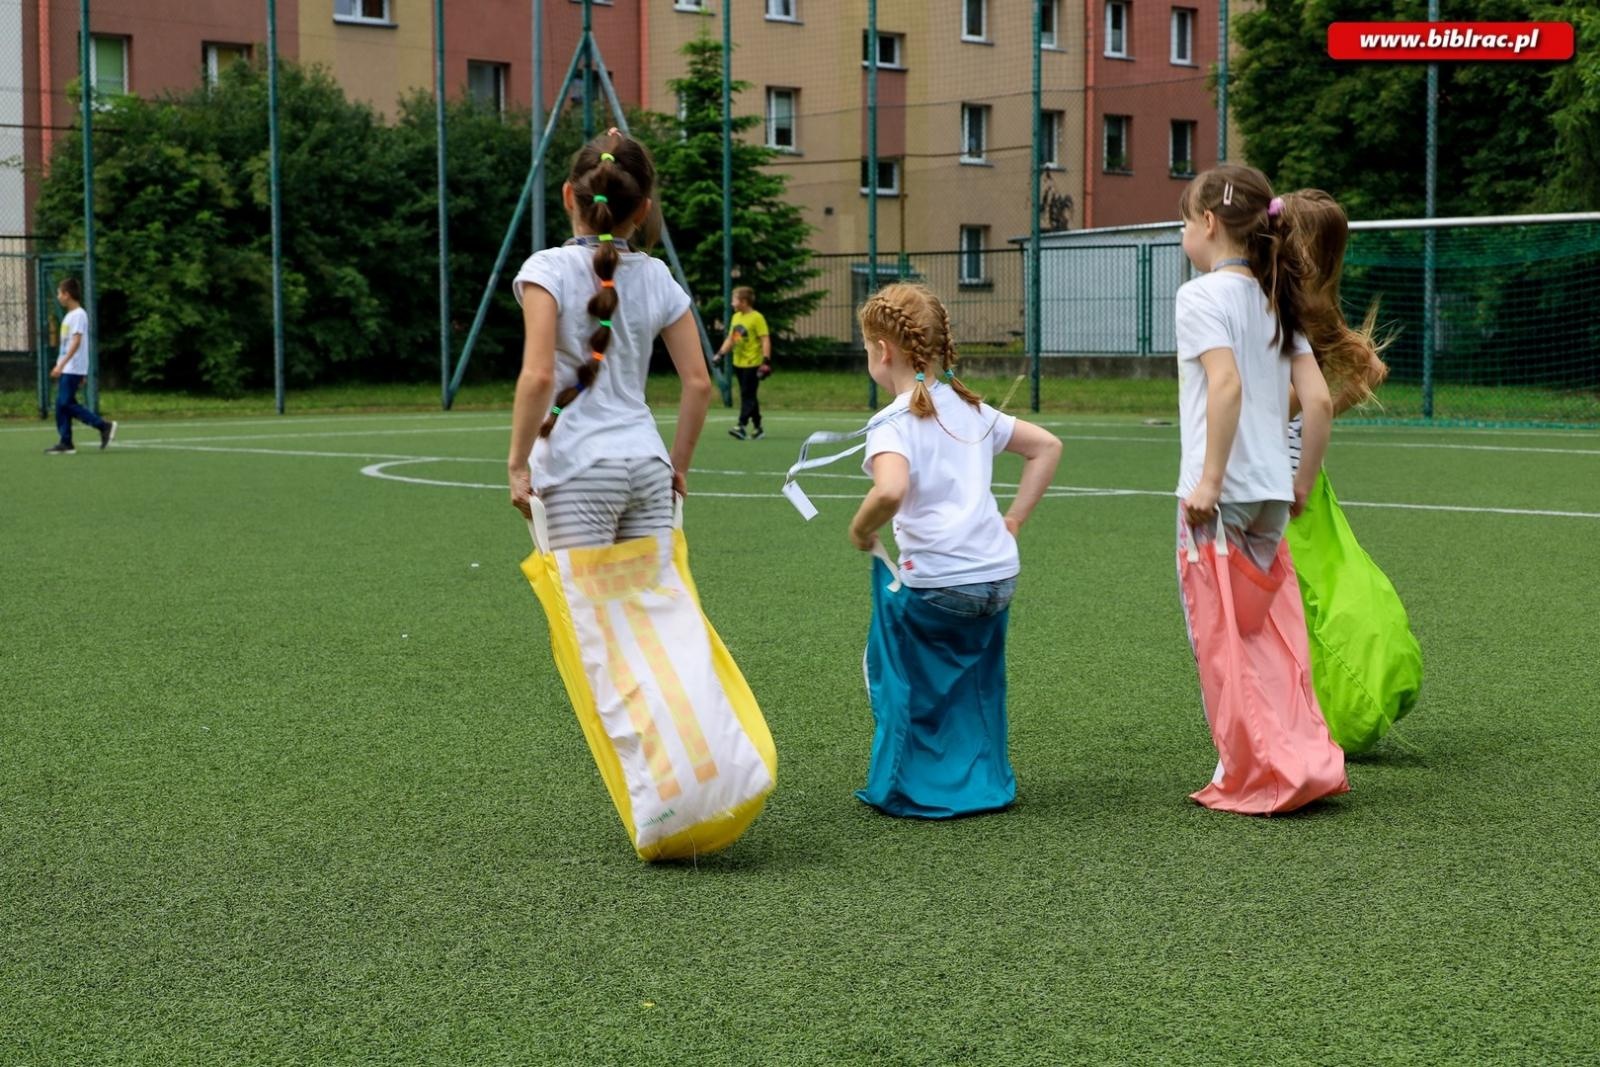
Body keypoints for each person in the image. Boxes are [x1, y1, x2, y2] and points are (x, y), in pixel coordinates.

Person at [848, 283, 1062, 818]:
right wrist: (1014, 519)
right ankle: (978, 776)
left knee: (887, 667)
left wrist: (861, 527)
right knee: (972, 677)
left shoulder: (892, 422)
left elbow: (890, 491)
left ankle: (919, 781)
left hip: (940, 586)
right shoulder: (974, 410)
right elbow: (1046, 447)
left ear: (883, 352)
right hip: (998, 578)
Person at [1173, 163, 1347, 814]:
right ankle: (1300, 753)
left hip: (1219, 498)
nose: (1183, 235)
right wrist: (1301, 481)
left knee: (1218, 636)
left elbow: (1226, 385)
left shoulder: (1199, 298)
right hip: (1271, 493)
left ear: (1208, 223)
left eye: (1184, 222)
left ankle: (1248, 767)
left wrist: (1209, 481)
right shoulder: (1276, 299)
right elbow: (1319, 401)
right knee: (1266, 635)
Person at [506, 130, 712, 546]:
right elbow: (698, 383)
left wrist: (516, 464)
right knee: (646, 593)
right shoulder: (657, 275)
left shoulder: (546, 269)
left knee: (582, 592)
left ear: (569, 196)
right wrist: (678, 467)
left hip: (576, 467)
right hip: (648, 464)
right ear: (643, 209)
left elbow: (539, 376)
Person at [1278, 188, 1422, 753]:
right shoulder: (1312, 310)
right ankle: (1324, 701)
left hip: (1280, 480)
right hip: (1303, 477)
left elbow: (1296, 400)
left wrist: (1298, 410)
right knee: (1324, 588)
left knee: (1296, 596)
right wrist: (1318, 411)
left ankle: (1319, 706)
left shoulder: (1283, 310)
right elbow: (1373, 371)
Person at [45, 278, 115, 455]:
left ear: (67, 295)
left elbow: (76, 342)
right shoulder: (69, 316)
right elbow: (68, 344)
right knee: (62, 404)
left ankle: (103, 425)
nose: (58, 296)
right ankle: (66, 442)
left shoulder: (79, 315)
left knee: (65, 403)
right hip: (69, 368)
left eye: (60, 293)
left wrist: (62, 365)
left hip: (71, 367)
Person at [714, 286, 770, 440]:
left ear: (744, 302)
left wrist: (766, 361)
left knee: (747, 394)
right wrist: (720, 354)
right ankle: (758, 427)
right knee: (749, 394)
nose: (732, 303)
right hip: (739, 363)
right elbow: (733, 339)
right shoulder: (737, 317)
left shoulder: (757, 318)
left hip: (753, 363)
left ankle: (741, 425)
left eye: (734, 300)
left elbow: (765, 339)